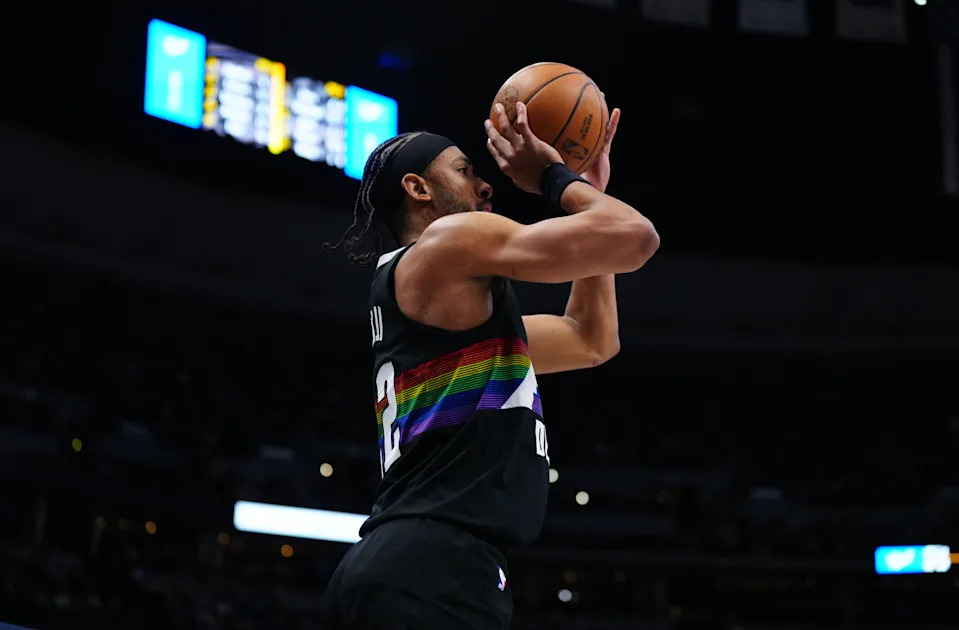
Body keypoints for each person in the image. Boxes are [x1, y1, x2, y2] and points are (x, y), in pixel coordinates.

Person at [320, 100, 659, 629]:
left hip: (409, 562)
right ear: (418, 188)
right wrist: (553, 179)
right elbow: (637, 238)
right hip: (433, 564)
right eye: (464, 170)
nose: (484, 187)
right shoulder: (446, 242)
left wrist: (589, 194)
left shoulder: (446, 310)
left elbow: (590, 339)